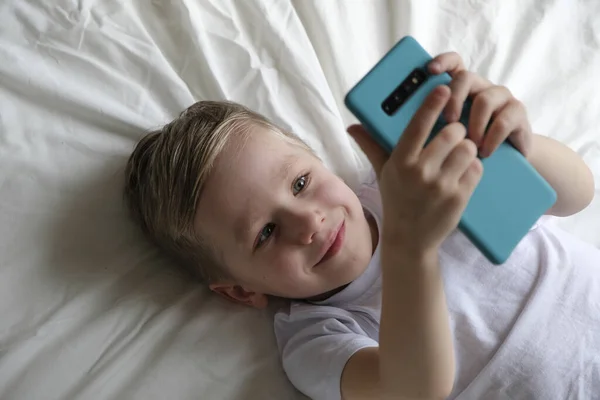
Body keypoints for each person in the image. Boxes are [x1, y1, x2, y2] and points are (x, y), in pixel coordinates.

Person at [123, 52, 598, 400]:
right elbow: (413, 391)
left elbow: (577, 195)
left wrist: (512, 143)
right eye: (265, 233)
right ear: (242, 292)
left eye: (301, 182)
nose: (308, 221)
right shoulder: (315, 339)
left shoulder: (413, 174)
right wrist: (410, 246)